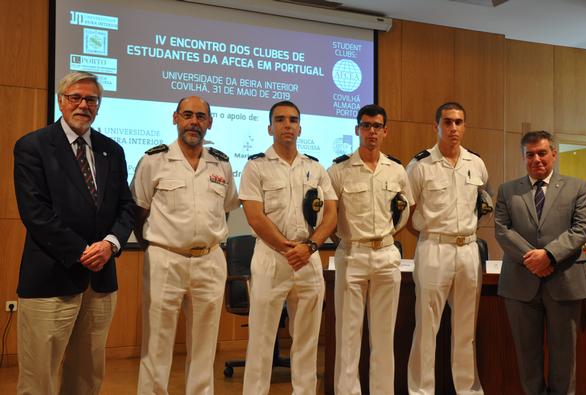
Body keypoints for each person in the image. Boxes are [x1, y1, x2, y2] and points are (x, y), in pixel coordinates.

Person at [13, 71, 135, 394]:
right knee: (39, 379)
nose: (83, 105)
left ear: (99, 105)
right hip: (51, 279)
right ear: (61, 101)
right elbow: (35, 213)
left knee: (87, 377)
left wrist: (110, 245)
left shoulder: (113, 150)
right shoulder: (33, 147)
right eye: (75, 98)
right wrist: (82, 251)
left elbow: (127, 208)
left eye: (91, 99)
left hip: (100, 281)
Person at [131, 96, 239, 394]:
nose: (194, 121)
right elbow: (138, 212)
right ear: (175, 118)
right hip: (166, 259)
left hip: (210, 260)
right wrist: (157, 247)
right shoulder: (153, 161)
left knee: (205, 345)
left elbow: (225, 208)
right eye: (188, 115)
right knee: (157, 343)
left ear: (210, 123)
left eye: (201, 116)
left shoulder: (222, 164)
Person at [240, 101, 337, 395]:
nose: (287, 125)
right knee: (261, 340)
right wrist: (287, 248)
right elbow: (255, 216)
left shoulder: (316, 168)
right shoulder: (255, 166)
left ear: (300, 128)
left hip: (307, 259)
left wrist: (309, 247)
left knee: (307, 341)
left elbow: (331, 213)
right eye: (280, 120)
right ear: (270, 127)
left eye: (293, 120)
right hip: (272, 258)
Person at [495, 131, 586, 395]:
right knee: (527, 357)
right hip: (520, 284)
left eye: (542, 153)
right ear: (523, 157)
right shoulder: (508, 190)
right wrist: (534, 259)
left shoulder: (577, 187)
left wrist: (548, 255)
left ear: (553, 153)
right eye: (530, 154)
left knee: (564, 356)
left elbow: (582, 229)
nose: (536, 159)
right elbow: (502, 230)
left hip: (564, 281)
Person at [328, 104, 413, 394]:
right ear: (357, 130)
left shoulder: (397, 170)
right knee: (348, 337)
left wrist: (387, 236)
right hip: (352, 254)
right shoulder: (338, 170)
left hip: (387, 255)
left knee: (383, 337)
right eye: (366, 126)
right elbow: (329, 215)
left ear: (385, 131)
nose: (371, 131)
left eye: (377, 126)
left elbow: (403, 212)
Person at [406, 102, 488, 395]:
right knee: (426, 327)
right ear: (436, 126)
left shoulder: (476, 163)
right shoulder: (419, 165)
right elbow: (407, 214)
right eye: (448, 122)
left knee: (466, 330)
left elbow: (481, 201)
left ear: (465, 126)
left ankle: (467, 390)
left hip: (468, 251)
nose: (454, 128)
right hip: (434, 248)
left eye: (459, 122)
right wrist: (431, 236)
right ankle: (421, 391)